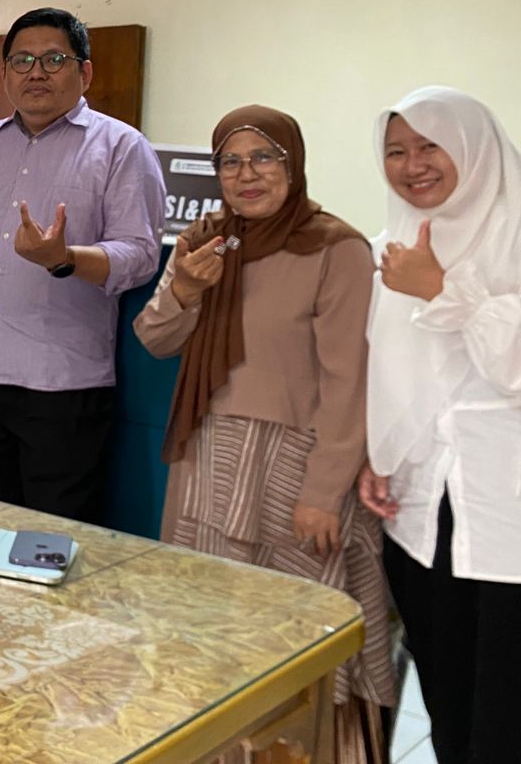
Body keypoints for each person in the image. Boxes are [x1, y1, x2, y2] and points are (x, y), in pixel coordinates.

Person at [135, 106, 395, 762]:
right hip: (208, 463)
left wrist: (324, 493)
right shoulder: (205, 240)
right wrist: (185, 291)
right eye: (231, 160)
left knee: (299, 634)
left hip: (296, 471)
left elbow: (352, 384)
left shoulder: (337, 248)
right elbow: (155, 338)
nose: (246, 174)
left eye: (265, 157)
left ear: (293, 163)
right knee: (210, 630)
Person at [0, 7, 165, 522]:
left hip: (62, 385)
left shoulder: (121, 147)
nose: (35, 72)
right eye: (21, 60)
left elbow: (140, 254)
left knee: (48, 537)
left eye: (53, 59)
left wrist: (64, 259)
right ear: (4, 74)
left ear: (84, 72)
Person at [356, 87, 521, 764]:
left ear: (473, 149)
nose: (411, 164)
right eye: (395, 150)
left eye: (430, 145)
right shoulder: (386, 247)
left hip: (508, 512)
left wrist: (442, 290)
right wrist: (380, 453)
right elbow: (388, 370)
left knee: (506, 701)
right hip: (421, 513)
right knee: (446, 685)